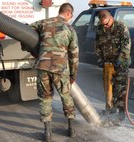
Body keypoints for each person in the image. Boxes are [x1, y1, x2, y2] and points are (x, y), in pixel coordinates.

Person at [30, 3, 79, 141]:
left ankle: (47, 133)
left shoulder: (44, 22)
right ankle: (71, 129)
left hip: (43, 66)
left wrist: (34, 51)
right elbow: (74, 55)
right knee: (66, 97)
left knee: (45, 98)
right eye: (72, 15)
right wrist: (73, 74)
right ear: (68, 13)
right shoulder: (70, 29)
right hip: (61, 69)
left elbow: (27, 30)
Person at [95, 10, 131, 120]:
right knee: (108, 87)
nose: (105, 26)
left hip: (120, 63)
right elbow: (97, 45)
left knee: (120, 88)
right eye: (103, 24)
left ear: (111, 18)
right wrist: (100, 59)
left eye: (106, 24)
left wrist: (120, 60)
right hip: (107, 63)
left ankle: (121, 112)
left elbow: (126, 45)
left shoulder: (120, 27)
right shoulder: (99, 28)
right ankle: (110, 109)